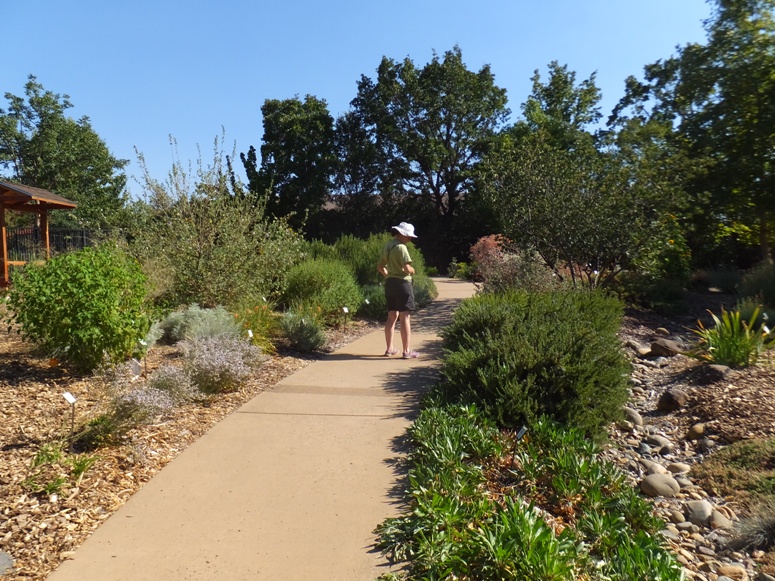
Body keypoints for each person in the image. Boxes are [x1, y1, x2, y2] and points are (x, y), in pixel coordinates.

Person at [377, 222, 419, 359]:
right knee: (405, 316)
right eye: (409, 237)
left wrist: (388, 275)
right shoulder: (402, 248)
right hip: (402, 284)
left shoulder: (388, 246)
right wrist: (413, 270)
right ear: (403, 234)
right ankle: (406, 351)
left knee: (391, 316)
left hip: (390, 283)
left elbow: (380, 266)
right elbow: (407, 269)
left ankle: (389, 348)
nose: (410, 239)